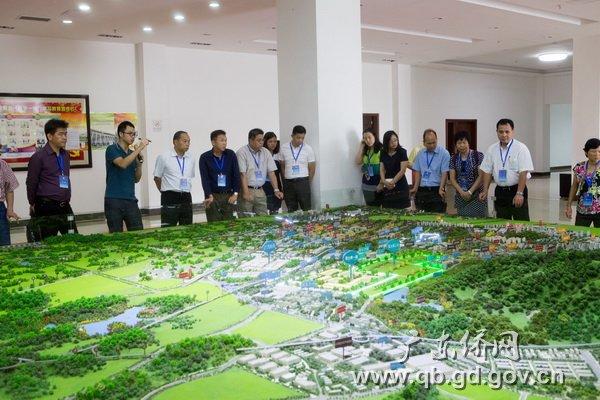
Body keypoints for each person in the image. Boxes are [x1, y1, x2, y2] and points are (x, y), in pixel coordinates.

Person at [26, 119, 78, 240]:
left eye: (65, 134)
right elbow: (31, 182)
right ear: (49, 136)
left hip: (64, 205)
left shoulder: (65, 155)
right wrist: (32, 203)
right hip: (46, 207)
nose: (64, 137)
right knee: (47, 242)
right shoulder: (38, 157)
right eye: (60, 134)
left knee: (74, 240)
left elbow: (64, 177)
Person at [479, 118, 534, 221]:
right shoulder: (492, 149)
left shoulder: (521, 148)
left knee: (521, 222)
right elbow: (487, 171)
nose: (504, 135)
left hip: (516, 189)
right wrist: (485, 190)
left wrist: (519, 193)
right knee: (501, 222)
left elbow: (523, 172)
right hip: (500, 191)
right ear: (496, 132)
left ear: (512, 131)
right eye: (501, 132)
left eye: (507, 132)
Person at [104, 121, 149, 233]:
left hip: (130, 200)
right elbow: (122, 164)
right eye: (130, 133)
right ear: (121, 134)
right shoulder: (112, 149)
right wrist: (139, 148)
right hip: (114, 200)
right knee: (116, 236)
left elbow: (136, 179)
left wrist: (139, 164)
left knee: (138, 233)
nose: (133, 136)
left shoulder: (132, 153)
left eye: (134, 134)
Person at [153, 131, 196, 227]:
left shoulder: (191, 158)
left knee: (187, 227)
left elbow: (190, 177)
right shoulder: (164, 157)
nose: (188, 144)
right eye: (185, 141)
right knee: (168, 228)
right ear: (175, 142)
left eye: (189, 141)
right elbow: (157, 178)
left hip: (186, 196)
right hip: (170, 196)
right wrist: (164, 191)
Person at [237, 129, 283, 217]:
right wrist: (246, 192)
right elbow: (242, 174)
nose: (261, 142)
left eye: (262, 140)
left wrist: (276, 190)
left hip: (261, 190)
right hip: (247, 189)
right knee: (246, 218)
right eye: (259, 140)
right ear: (251, 140)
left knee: (263, 217)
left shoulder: (265, 152)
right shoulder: (242, 152)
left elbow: (271, 172)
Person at [199, 130, 240, 222]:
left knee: (229, 223)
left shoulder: (231, 154)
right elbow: (205, 179)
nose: (224, 143)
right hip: (212, 196)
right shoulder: (205, 157)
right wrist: (209, 195)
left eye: (225, 140)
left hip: (228, 195)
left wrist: (235, 194)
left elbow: (236, 175)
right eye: (221, 140)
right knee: (214, 223)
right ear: (213, 142)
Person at [409, 129, 450, 213]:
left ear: (437, 140)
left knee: (437, 217)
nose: (432, 145)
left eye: (434, 142)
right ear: (424, 142)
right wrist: (415, 188)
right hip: (422, 190)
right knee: (422, 216)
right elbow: (418, 172)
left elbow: (444, 173)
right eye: (429, 143)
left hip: (436, 190)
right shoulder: (420, 153)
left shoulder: (444, 153)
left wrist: (441, 188)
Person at [448, 131, 487, 217]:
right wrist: (462, 192)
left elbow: (481, 176)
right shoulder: (453, 159)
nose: (462, 145)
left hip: (477, 196)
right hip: (461, 196)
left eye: (464, 142)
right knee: (462, 221)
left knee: (478, 222)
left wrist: (470, 192)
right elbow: (452, 179)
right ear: (456, 145)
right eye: (459, 143)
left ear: (468, 143)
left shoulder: (478, 156)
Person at [279, 125, 316, 212]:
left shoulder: (308, 149)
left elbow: (312, 168)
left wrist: (307, 181)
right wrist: (286, 179)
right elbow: (282, 165)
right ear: (292, 136)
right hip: (288, 183)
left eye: (302, 138)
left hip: (303, 182)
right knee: (291, 209)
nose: (300, 140)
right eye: (298, 137)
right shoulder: (284, 148)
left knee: (306, 209)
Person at [565, 138, 600, 226]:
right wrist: (568, 205)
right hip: (583, 209)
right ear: (586, 152)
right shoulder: (579, 167)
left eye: (599, 151)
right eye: (593, 151)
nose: (597, 154)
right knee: (580, 233)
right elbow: (574, 186)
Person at [379, 130, 410, 209]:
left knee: (402, 211)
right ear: (386, 142)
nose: (394, 143)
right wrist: (384, 181)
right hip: (387, 183)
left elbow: (402, 170)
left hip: (400, 184)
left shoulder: (402, 152)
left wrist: (392, 182)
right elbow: (382, 169)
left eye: (395, 140)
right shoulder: (383, 152)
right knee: (388, 210)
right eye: (391, 141)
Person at [355, 129, 383, 206]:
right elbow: (358, 162)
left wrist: (381, 183)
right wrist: (361, 147)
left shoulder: (381, 149)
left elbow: (385, 168)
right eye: (365, 138)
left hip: (378, 182)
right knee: (370, 207)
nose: (367, 140)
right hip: (367, 182)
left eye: (369, 137)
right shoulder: (365, 150)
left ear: (374, 136)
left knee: (380, 207)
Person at [0, 157, 19, 245]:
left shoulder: (2, 164)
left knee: (4, 244)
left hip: (0, 209)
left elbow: (9, 188)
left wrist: (10, 209)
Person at [263, 131, 283, 214]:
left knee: (275, 210)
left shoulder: (278, 155)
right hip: (265, 185)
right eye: (270, 141)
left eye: (275, 141)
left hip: (276, 185)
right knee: (265, 208)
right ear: (265, 142)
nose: (273, 144)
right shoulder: (263, 154)